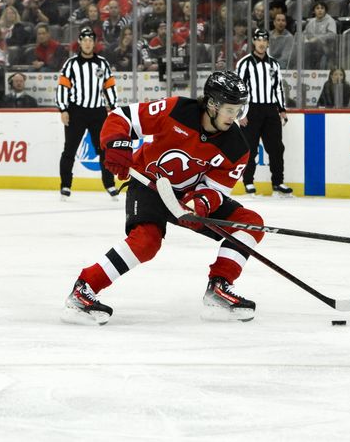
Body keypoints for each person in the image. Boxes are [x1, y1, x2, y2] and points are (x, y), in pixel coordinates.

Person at [61, 71, 266, 325]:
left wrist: (199, 205)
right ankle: (84, 289)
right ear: (212, 105)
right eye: (230, 109)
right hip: (148, 185)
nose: (235, 116)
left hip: (187, 199)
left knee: (250, 222)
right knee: (146, 242)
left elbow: (217, 190)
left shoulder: (237, 147)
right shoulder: (176, 110)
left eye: (239, 109)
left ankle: (219, 288)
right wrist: (116, 144)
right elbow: (121, 117)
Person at [56, 27, 119, 201]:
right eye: (84, 40)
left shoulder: (103, 63)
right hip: (76, 111)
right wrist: (63, 109)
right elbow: (63, 87)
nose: (88, 43)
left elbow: (109, 86)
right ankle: (66, 186)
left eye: (91, 40)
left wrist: (114, 108)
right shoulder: (71, 64)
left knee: (104, 150)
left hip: (98, 113)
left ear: (94, 43)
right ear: (80, 42)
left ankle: (109, 184)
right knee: (69, 150)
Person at [236, 28, 292, 197]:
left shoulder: (274, 64)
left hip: (270, 110)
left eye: (264, 40)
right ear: (254, 41)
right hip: (251, 109)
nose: (261, 43)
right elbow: (239, 89)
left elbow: (278, 88)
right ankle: (248, 183)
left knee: (276, 148)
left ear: (268, 42)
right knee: (250, 148)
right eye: (258, 40)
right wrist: (241, 113)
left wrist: (281, 109)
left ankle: (278, 182)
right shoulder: (244, 63)